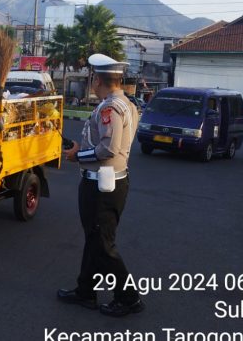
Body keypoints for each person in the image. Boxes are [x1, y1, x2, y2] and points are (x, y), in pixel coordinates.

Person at [58, 53, 144, 317]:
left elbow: (108, 148)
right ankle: (86, 290)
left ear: (98, 79)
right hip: (108, 182)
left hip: (103, 187)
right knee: (95, 239)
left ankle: (129, 298)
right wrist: (81, 148)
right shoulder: (126, 104)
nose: (91, 83)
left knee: (103, 245)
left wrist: (77, 156)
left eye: (92, 78)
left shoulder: (109, 108)